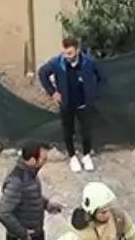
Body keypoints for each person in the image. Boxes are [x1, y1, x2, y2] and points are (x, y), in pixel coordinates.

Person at [38, 37, 105, 173]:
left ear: (77, 50)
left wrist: (94, 93)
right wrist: (53, 92)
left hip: (84, 103)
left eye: (70, 53)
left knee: (86, 131)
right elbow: (42, 73)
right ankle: (72, 157)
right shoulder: (57, 63)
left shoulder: (88, 62)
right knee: (68, 131)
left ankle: (86, 155)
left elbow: (102, 77)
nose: (66, 56)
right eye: (64, 53)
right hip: (66, 103)